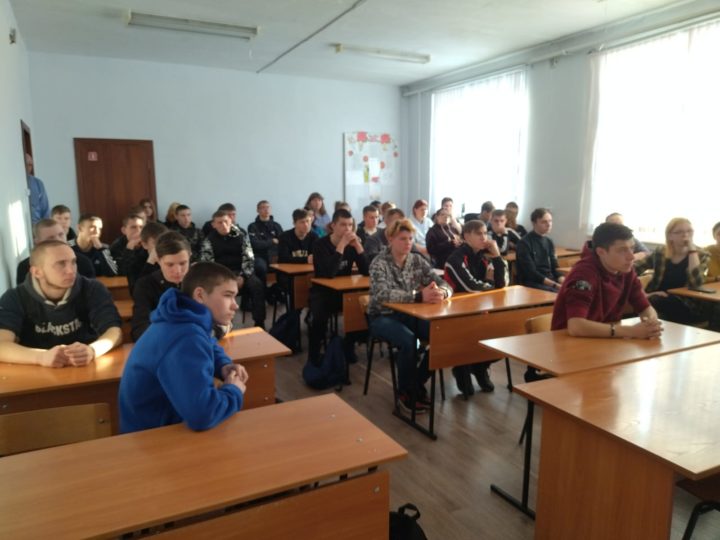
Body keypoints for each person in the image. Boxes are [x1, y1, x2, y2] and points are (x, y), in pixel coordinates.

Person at [118, 262, 248, 433]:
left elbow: (209, 341)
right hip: (153, 437)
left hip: (160, 425)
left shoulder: (182, 317)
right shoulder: (185, 336)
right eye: (228, 296)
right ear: (200, 295)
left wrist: (223, 365)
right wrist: (233, 391)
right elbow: (202, 416)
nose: (235, 305)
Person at [541, 222, 664, 381]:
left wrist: (650, 324)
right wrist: (632, 331)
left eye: (632, 248)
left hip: (604, 344)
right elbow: (576, 326)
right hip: (570, 350)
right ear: (601, 252)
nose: (631, 256)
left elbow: (645, 307)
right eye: (622, 250)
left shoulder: (625, 270)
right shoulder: (584, 274)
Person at [368, 218, 453, 412]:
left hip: (410, 315)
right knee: (410, 342)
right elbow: (382, 294)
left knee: (441, 336)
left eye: (410, 239)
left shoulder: (416, 260)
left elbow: (444, 283)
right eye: (402, 239)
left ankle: (416, 383)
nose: (407, 243)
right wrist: (418, 296)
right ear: (390, 239)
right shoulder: (379, 263)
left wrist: (442, 293)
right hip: (382, 316)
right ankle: (405, 392)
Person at [0, 241, 122, 367]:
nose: (70, 271)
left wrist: (92, 350)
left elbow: (114, 331)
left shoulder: (93, 288)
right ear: (37, 272)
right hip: (36, 370)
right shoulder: (15, 297)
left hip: (84, 366)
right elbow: (2, 345)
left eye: (73, 262)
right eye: (60, 264)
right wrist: (41, 357)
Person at [444, 220, 507, 394]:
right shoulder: (455, 259)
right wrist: (490, 285)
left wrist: (497, 256)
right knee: (472, 335)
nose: (484, 237)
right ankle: (462, 367)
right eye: (479, 233)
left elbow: (501, 284)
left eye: (485, 233)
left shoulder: (483, 257)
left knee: (505, 332)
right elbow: (470, 287)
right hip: (456, 313)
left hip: (480, 309)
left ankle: (480, 366)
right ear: (466, 236)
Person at [308, 208, 369, 365]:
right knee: (319, 317)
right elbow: (329, 273)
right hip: (323, 292)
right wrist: (341, 245)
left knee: (361, 308)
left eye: (350, 225)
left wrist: (358, 247)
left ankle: (349, 345)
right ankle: (314, 355)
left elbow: (367, 271)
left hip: (345, 292)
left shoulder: (352, 244)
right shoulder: (320, 244)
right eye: (343, 225)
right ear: (333, 225)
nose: (347, 229)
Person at [635, 217, 709, 324]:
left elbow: (695, 283)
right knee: (645, 302)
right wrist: (644, 293)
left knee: (655, 304)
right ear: (670, 236)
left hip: (686, 302)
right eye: (679, 232)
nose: (685, 235)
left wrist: (692, 251)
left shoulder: (702, 255)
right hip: (657, 296)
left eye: (689, 231)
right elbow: (632, 270)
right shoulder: (660, 252)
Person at [204, 210, 266, 328]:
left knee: (257, 285)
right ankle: (223, 324)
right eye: (220, 222)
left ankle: (259, 322)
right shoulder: (209, 240)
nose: (224, 225)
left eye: (226, 221)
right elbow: (208, 264)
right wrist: (226, 279)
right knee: (216, 290)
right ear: (214, 225)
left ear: (231, 221)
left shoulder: (241, 236)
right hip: (221, 275)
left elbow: (249, 259)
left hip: (241, 272)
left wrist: (242, 276)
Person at [131, 231, 192, 341]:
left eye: (183, 263)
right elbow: (139, 327)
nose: (178, 271)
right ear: (158, 261)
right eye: (170, 265)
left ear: (190, 257)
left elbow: (217, 320)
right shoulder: (145, 285)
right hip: (163, 343)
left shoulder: (200, 281)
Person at [16, 219, 95, 284]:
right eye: (51, 238)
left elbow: (91, 293)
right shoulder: (26, 267)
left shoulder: (83, 262)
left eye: (61, 235)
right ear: (37, 242)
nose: (58, 240)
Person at [516, 208, 564, 291]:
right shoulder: (524, 243)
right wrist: (555, 285)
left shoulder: (549, 242)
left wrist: (564, 281)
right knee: (559, 293)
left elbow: (555, 267)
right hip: (533, 283)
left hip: (549, 281)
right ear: (534, 223)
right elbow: (531, 273)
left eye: (550, 221)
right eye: (544, 222)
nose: (548, 224)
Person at [126, 221, 168, 293]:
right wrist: (150, 263)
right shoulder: (134, 263)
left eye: (164, 242)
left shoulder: (172, 258)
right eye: (156, 243)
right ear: (145, 245)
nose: (161, 246)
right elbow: (135, 292)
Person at [248, 200, 283, 284]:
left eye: (268, 207)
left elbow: (282, 242)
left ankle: (280, 288)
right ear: (258, 210)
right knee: (260, 267)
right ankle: (262, 290)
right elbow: (255, 244)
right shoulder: (252, 226)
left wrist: (265, 243)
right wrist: (272, 241)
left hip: (275, 255)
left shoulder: (276, 225)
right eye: (263, 208)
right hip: (260, 256)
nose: (266, 210)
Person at [25, 153, 50, 224]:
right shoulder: (11, 183)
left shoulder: (37, 183)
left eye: (30, 165)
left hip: (36, 225)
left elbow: (45, 209)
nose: (28, 167)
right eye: (26, 164)